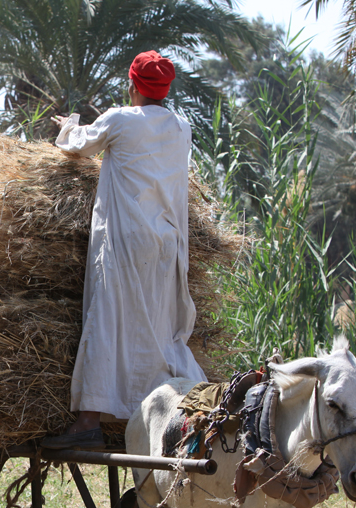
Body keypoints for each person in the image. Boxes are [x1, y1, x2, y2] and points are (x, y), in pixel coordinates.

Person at [42, 50, 207, 449]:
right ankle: (172, 412)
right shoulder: (181, 128)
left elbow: (79, 147)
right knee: (156, 328)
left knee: (108, 320)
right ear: (166, 89)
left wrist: (69, 125)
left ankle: (88, 421)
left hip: (125, 241)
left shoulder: (121, 119)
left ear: (133, 85)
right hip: (166, 245)